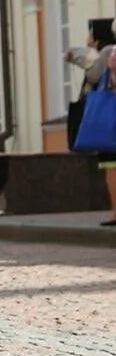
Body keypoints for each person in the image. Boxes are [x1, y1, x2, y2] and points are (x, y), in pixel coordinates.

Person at [66, 17, 116, 225]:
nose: (87, 39)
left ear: (96, 37)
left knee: (112, 167)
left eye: (90, 34)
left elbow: (95, 76)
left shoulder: (108, 52)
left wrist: (76, 57)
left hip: (109, 121)